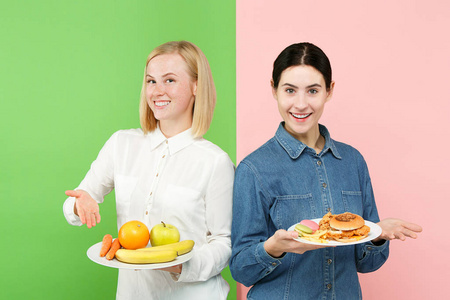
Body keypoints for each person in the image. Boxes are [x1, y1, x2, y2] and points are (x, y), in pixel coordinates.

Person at [229, 42, 422, 299]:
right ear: (273, 90)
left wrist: (377, 236)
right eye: (289, 90)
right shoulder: (254, 169)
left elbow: (367, 263)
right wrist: (271, 248)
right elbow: (241, 270)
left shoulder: (353, 161)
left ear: (329, 91)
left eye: (312, 90)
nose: (300, 104)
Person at [63, 41, 235, 300]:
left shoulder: (215, 161)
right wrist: (79, 204)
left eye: (169, 80)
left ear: (196, 86)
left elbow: (224, 242)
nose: (157, 91)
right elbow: (76, 201)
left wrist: (181, 265)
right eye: (151, 81)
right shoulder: (121, 144)